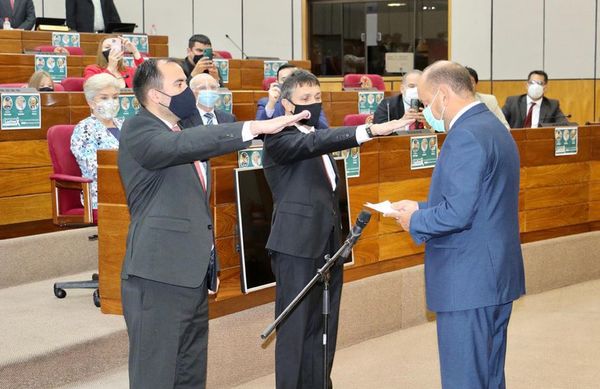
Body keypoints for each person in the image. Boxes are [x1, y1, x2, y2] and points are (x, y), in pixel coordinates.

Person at [117, 58, 310, 389]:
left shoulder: (182, 128)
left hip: (191, 271)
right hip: (158, 272)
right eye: (179, 85)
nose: (187, 92)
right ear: (155, 95)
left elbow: (195, 143)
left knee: (190, 369)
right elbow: (185, 145)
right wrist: (254, 127)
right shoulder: (139, 128)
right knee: (157, 372)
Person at [262, 69, 413, 389]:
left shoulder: (314, 133)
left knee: (323, 323)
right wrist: (371, 129)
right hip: (296, 245)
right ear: (287, 104)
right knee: (296, 328)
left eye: (317, 98)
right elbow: (318, 141)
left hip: (329, 241)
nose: (313, 105)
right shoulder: (279, 138)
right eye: (305, 99)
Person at [385, 61, 525, 389]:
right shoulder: (492, 127)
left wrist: (415, 219)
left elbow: (458, 214)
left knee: (465, 378)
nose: (424, 110)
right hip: (492, 274)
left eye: (424, 101)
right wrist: (419, 206)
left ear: (443, 95)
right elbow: (482, 201)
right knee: (489, 375)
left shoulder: (465, 136)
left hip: (468, 280)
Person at [70, 73, 122, 210]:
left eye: (115, 97)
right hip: (103, 192)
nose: (111, 102)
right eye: (104, 97)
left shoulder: (124, 125)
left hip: (132, 185)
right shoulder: (84, 129)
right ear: (91, 102)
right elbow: (93, 169)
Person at [256, 64, 329, 129]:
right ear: (277, 83)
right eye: (285, 79)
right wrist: (271, 104)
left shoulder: (312, 102)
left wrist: (309, 118)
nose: (289, 82)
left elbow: (324, 128)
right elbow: (258, 132)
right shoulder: (265, 102)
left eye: (293, 79)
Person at [502, 70, 568, 128]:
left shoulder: (552, 105)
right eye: (532, 83)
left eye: (540, 83)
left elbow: (563, 125)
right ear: (527, 85)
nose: (535, 86)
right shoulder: (513, 102)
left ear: (545, 87)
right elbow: (499, 122)